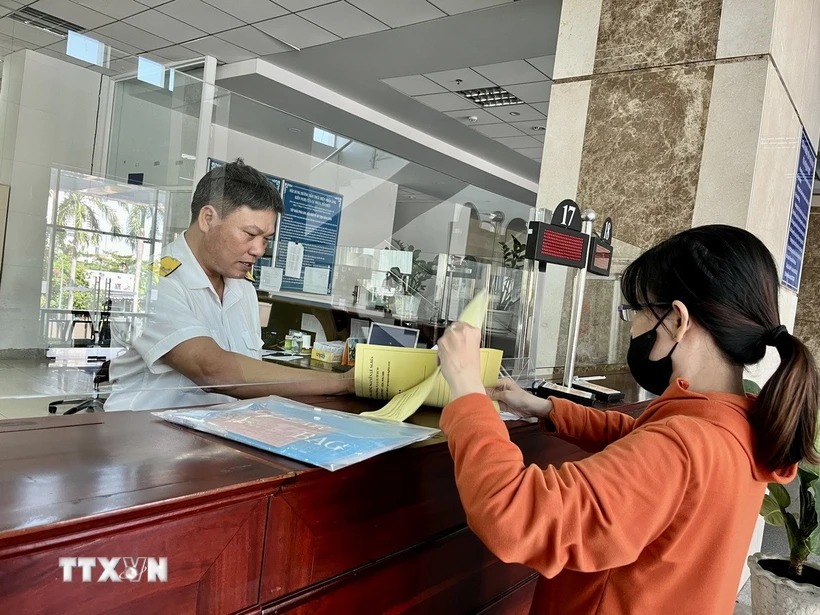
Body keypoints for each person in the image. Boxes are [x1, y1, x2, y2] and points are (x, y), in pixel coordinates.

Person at [436, 224, 819, 614]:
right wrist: (549, 409)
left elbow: (513, 515)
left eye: (637, 311)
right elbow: (642, 440)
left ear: (677, 319)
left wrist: (466, 388)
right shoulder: (737, 423)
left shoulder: (681, 445)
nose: (633, 326)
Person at [105, 159, 351, 411]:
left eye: (266, 239)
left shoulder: (242, 288)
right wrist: (343, 382)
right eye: (250, 234)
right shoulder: (153, 283)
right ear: (207, 219)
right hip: (146, 430)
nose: (259, 250)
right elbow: (212, 370)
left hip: (220, 427)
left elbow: (247, 375)